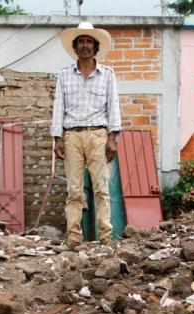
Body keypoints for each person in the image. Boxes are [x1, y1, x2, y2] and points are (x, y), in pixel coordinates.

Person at [50, 22, 122, 249]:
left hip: (98, 136)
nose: (85, 45)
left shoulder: (107, 75)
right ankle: (72, 238)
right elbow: (58, 107)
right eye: (81, 41)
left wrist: (112, 138)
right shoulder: (64, 75)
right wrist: (57, 138)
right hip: (72, 136)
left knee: (102, 188)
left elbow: (114, 107)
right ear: (75, 47)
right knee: (74, 190)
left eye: (89, 41)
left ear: (95, 47)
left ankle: (106, 237)